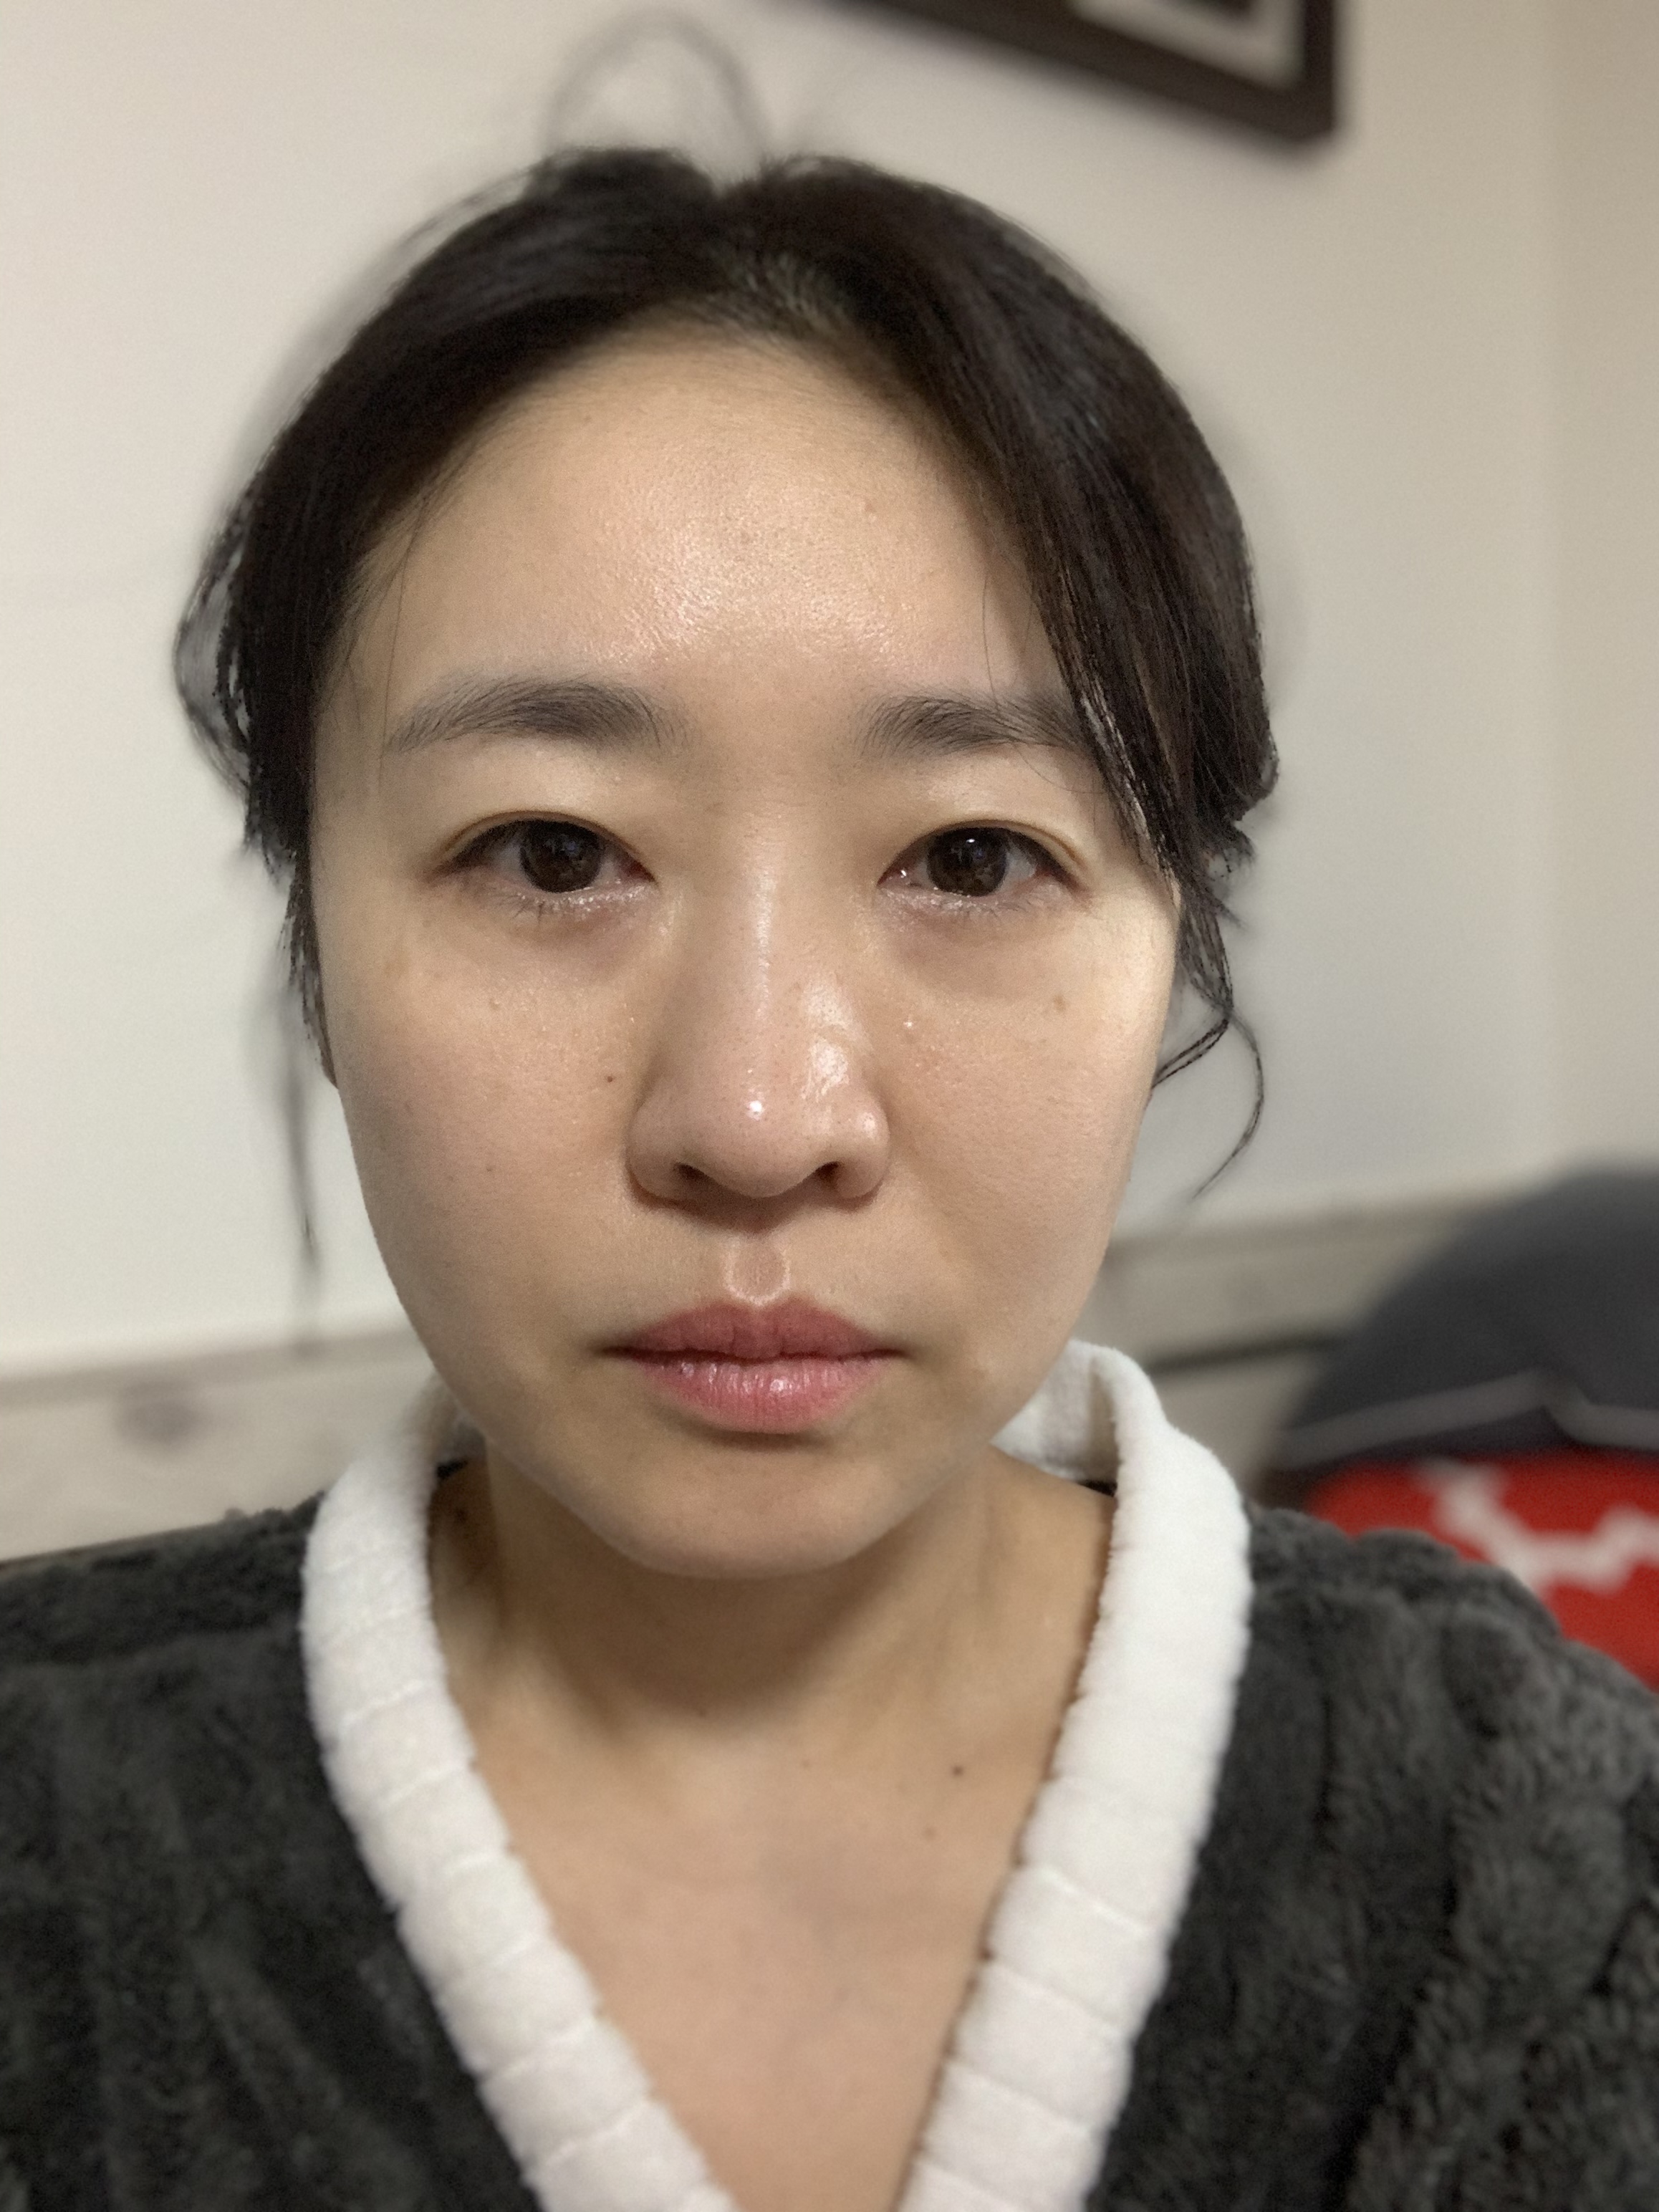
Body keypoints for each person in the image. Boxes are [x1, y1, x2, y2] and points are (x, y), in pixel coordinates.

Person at [1, 149, 1655, 2212]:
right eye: (549, 852)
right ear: (318, 948)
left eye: (971, 857)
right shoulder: (48, 1829)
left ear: (1173, 964)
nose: (760, 1116)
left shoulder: (1525, 1849)